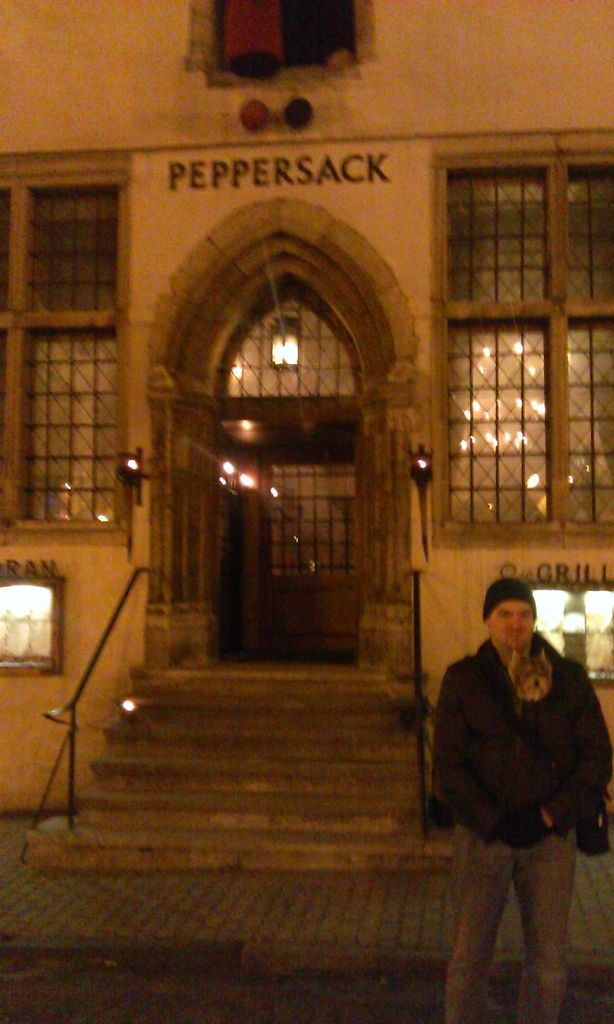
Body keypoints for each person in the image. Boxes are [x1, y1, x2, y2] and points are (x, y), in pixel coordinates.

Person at [433, 577, 612, 1024]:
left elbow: (596, 757)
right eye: (505, 614)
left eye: (524, 614)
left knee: (548, 964)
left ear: (534, 620)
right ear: (487, 620)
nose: (515, 623)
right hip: (484, 838)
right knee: (469, 957)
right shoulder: (465, 679)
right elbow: (449, 767)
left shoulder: (567, 678)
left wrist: (550, 814)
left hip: (549, 840)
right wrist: (492, 820)